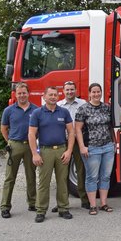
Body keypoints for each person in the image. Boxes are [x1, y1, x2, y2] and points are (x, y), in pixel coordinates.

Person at [28, 86, 75, 223]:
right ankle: (41, 210)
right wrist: (35, 154)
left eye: (55, 95)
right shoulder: (37, 113)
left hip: (61, 150)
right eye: (51, 95)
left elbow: (71, 132)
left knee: (62, 181)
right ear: (44, 96)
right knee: (44, 183)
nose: (53, 97)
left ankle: (63, 208)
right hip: (45, 151)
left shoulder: (64, 112)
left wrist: (69, 151)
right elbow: (31, 134)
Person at [75, 83, 116, 215]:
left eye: (98, 92)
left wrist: (114, 143)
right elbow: (78, 129)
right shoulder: (83, 109)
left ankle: (104, 203)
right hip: (92, 148)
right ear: (89, 93)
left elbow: (110, 126)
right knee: (92, 177)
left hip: (108, 146)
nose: (96, 94)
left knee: (105, 176)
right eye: (94, 92)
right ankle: (93, 205)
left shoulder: (106, 107)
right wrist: (82, 146)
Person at [0, 82, 39, 218]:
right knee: (10, 177)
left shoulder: (36, 110)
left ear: (28, 93)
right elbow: (4, 128)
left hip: (30, 146)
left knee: (31, 175)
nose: (22, 95)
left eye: (24, 93)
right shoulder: (8, 110)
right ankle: (5, 206)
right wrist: (9, 141)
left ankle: (32, 202)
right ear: (16, 95)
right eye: (19, 93)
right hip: (14, 145)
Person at [56, 81, 89, 210]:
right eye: (67, 90)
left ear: (76, 90)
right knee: (62, 172)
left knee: (81, 171)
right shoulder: (58, 105)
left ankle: (84, 200)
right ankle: (61, 202)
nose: (70, 92)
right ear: (63, 91)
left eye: (72, 89)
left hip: (78, 140)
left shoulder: (83, 104)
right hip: (62, 141)